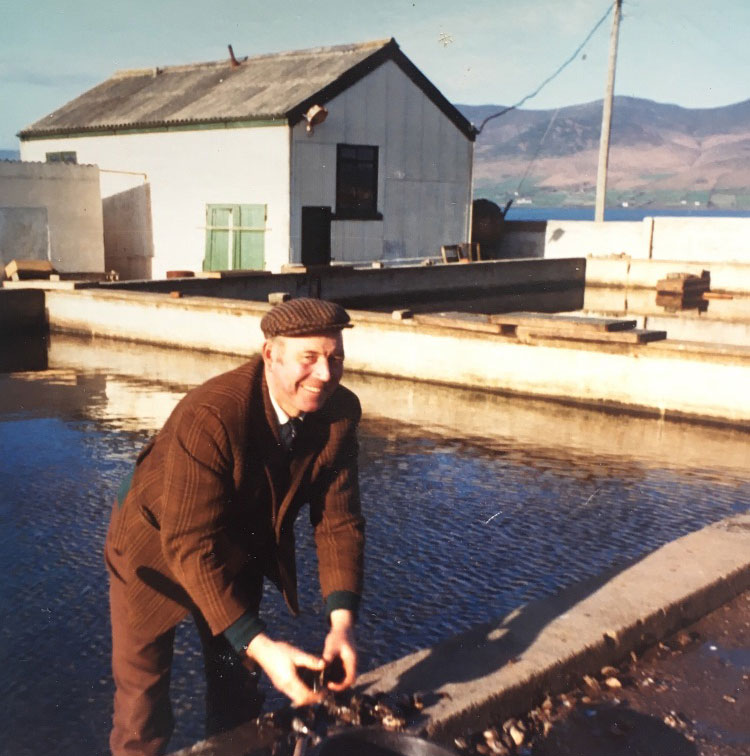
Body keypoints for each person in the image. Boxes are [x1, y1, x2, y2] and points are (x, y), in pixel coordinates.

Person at [104, 297, 365, 756]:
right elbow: (187, 544)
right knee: (142, 703)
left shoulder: (339, 414)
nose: (325, 374)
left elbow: (339, 521)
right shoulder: (211, 414)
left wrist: (341, 624)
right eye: (309, 358)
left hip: (235, 544)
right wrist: (262, 646)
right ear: (271, 355)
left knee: (237, 687)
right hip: (153, 551)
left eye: (335, 357)